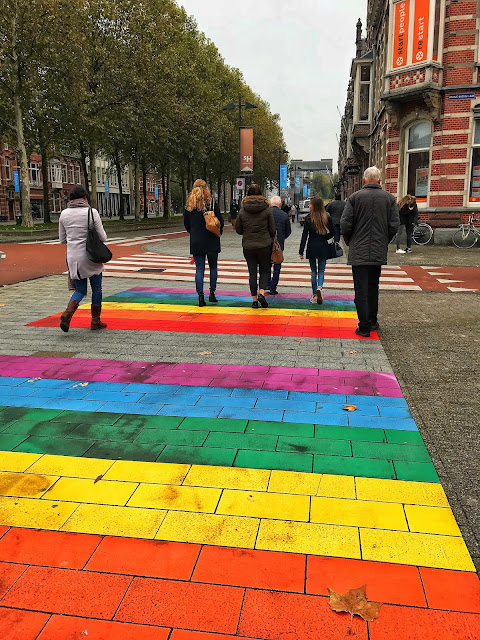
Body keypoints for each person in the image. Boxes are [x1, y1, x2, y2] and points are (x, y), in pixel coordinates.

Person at [340, 166, 400, 337]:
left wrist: (350, 241)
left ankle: (364, 326)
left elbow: (345, 224)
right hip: (377, 251)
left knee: (361, 289)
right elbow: (394, 225)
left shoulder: (354, 198)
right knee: (373, 287)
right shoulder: (389, 199)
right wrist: (383, 240)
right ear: (380, 180)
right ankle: (373, 321)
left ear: (364, 180)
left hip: (358, 251)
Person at [59, 185, 108, 332]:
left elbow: (62, 239)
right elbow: (103, 237)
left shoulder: (64, 214)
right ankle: (95, 321)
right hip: (91, 257)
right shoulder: (91, 212)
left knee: (80, 289)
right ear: (85, 198)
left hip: (73, 258)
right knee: (97, 288)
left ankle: (68, 314)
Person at [184, 179, 224, 307]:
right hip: (212, 239)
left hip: (197, 241)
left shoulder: (189, 205)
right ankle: (212, 293)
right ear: (206, 188)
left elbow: (186, 224)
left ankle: (200, 296)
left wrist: (194, 233)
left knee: (199, 269)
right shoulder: (211, 202)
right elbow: (220, 221)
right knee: (213, 267)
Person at [236, 183, 276, 308]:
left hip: (248, 246)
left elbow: (238, 230)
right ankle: (262, 293)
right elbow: (272, 230)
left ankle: (254, 301)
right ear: (261, 194)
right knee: (264, 270)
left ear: (247, 194)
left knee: (252, 272)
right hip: (264, 245)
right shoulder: (266, 209)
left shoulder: (242, 210)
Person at [299, 197, 338, 304]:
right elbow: (334, 232)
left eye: (310, 204)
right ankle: (319, 287)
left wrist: (301, 250)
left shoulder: (308, 218)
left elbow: (304, 236)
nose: (309, 206)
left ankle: (315, 295)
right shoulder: (326, 217)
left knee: (313, 272)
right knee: (321, 271)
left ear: (314, 206)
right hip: (323, 247)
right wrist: (325, 237)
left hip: (311, 246)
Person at [268, 195, 292, 295]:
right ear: (280, 204)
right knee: (277, 265)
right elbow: (288, 231)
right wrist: (281, 238)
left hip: (266, 242)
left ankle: (267, 284)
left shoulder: (266, 213)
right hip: (278, 244)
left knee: (266, 265)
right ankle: (273, 287)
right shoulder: (284, 215)